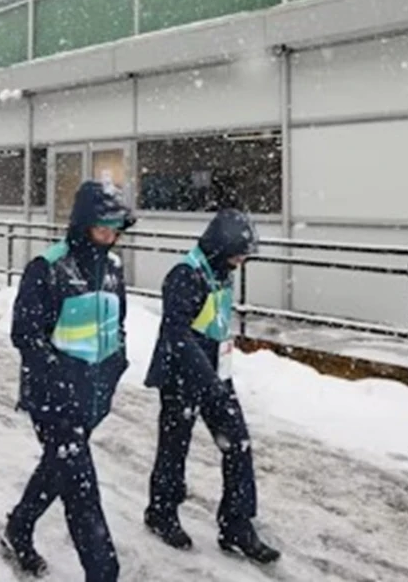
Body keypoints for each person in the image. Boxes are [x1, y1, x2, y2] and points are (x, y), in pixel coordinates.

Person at [0, 180, 135, 582]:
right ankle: (103, 572)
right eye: (102, 229)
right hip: (53, 402)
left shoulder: (112, 268)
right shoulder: (48, 268)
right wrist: (58, 383)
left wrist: (116, 367)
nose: (110, 238)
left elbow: (118, 323)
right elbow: (25, 334)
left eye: (116, 230)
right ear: (82, 225)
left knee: (57, 469)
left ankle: (19, 526)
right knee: (81, 488)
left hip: (92, 398)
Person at [143, 208, 280, 564]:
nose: (242, 261)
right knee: (174, 447)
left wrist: (220, 376)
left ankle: (237, 523)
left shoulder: (221, 272)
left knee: (238, 444)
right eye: (239, 253)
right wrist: (207, 378)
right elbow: (178, 334)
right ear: (220, 247)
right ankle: (161, 511)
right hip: (181, 376)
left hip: (216, 375)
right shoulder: (185, 276)